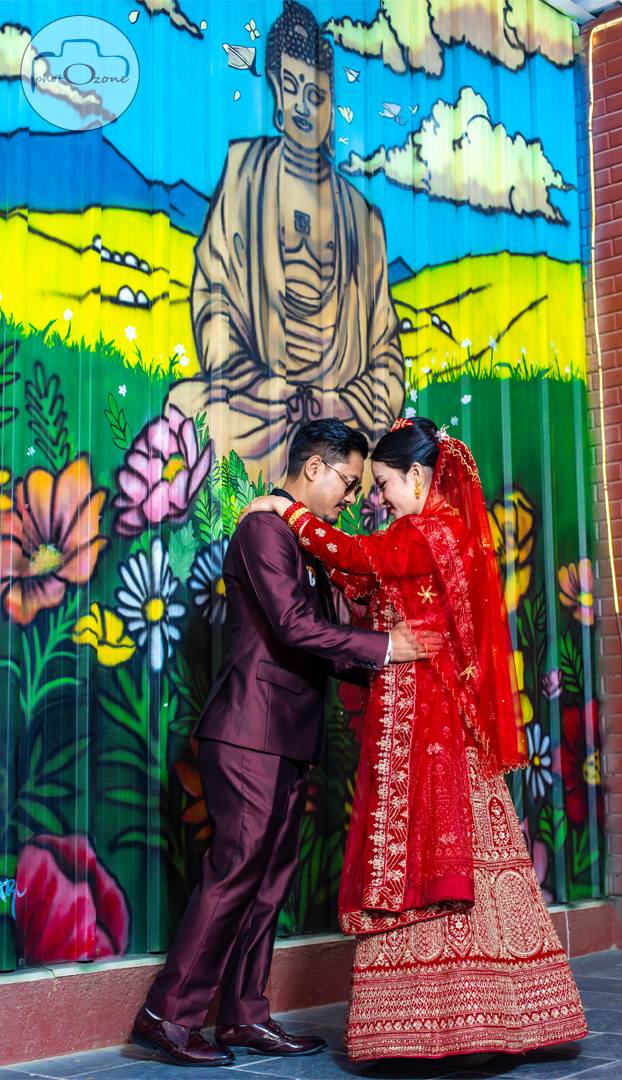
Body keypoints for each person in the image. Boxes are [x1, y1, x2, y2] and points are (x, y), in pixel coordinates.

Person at [242, 417, 587, 1060]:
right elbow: (366, 579)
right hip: (433, 712)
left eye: (384, 484)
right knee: (465, 854)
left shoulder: (428, 531)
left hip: (423, 714)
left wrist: (286, 512)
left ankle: (436, 1025)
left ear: (419, 477)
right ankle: (496, 1018)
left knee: (420, 851)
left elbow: (355, 559)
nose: (377, 498)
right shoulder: (441, 534)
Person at [131, 420, 438, 1067]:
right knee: (236, 870)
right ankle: (166, 1015)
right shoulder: (264, 530)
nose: (351, 498)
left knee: (269, 882)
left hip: (288, 736)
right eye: (347, 482)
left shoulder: (307, 541)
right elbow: (296, 628)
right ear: (313, 468)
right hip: (250, 731)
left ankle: (243, 1017)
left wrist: (405, 669)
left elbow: (328, 639)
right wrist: (387, 648)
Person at [167, 0, 405, 479]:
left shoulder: (362, 219)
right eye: (291, 88)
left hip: (340, 409)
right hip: (258, 403)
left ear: (331, 104)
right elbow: (213, 296)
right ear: (275, 91)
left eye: (315, 94)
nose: (302, 106)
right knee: (193, 410)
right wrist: (257, 383)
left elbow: (386, 351)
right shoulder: (244, 175)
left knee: (372, 451)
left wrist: (337, 401)